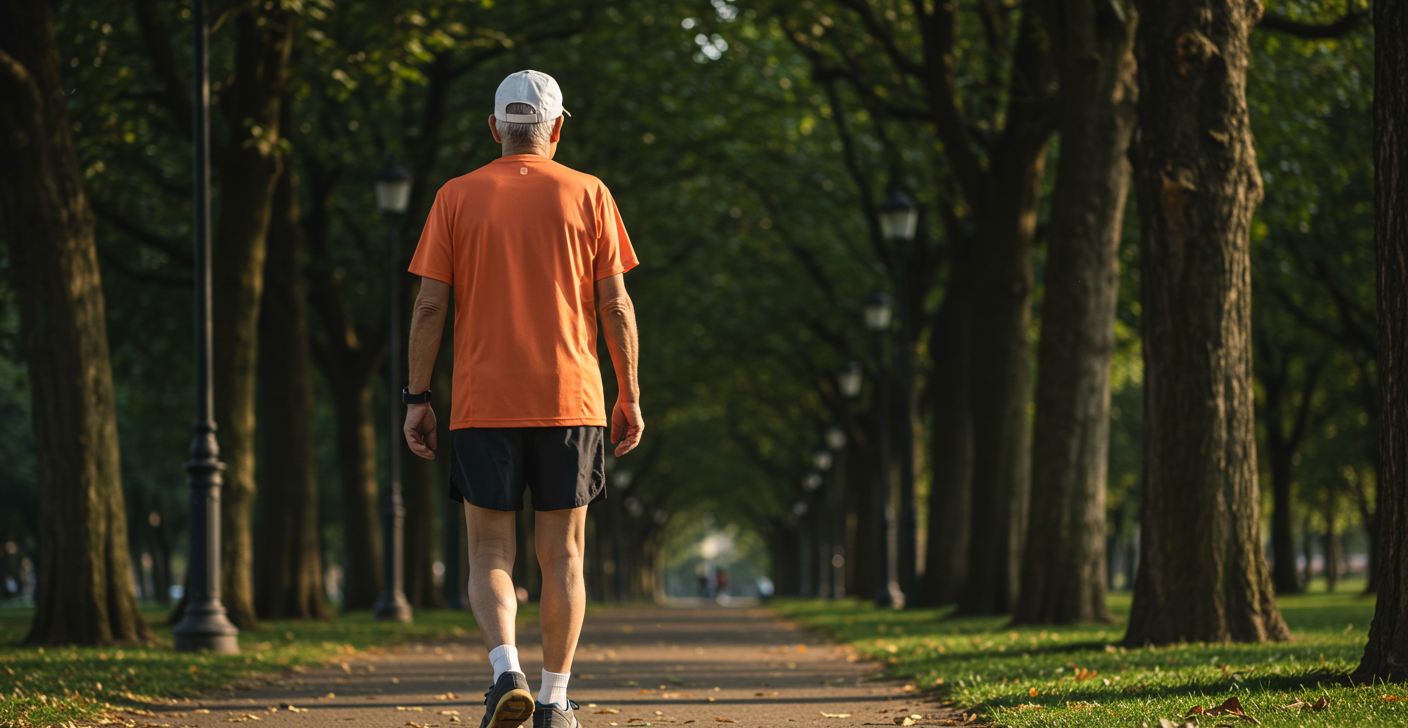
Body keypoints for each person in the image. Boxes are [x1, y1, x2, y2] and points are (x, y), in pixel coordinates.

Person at [401, 69, 643, 728]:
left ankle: (505, 667)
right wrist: (630, 393)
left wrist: (417, 397)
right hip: (573, 400)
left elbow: (429, 306)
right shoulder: (591, 194)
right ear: (557, 129)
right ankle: (557, 701)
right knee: (563, 555)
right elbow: (615, 304)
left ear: (494, 130)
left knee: (488, 555)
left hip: (484, 402)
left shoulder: (456, 196)